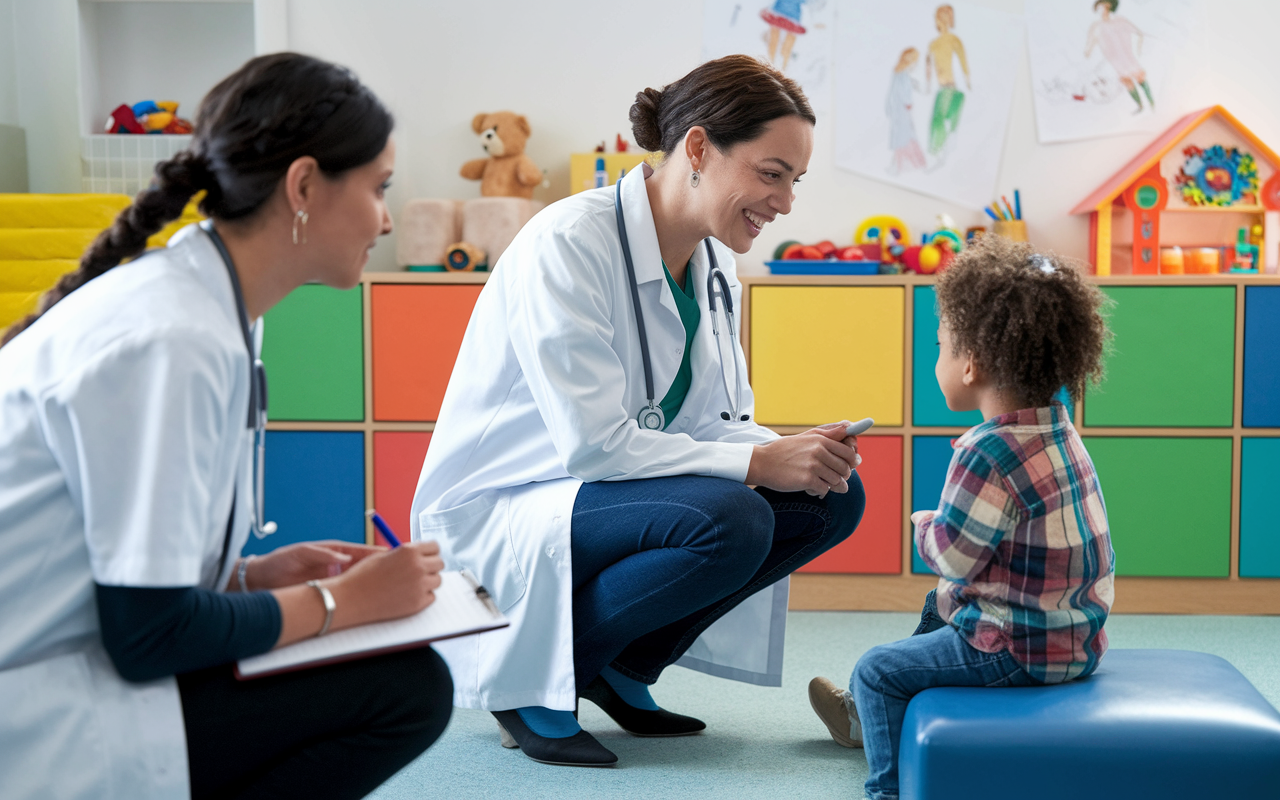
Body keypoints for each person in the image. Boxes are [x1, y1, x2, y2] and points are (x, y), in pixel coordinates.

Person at [0, 53, 453, 800]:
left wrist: (251, 577)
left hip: (68, 657)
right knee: (405, 690)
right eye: (379, 189)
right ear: (304, 186)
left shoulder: (201, 307)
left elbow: (118, 570)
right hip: (36, 707)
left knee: (396, 680)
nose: (385, 218)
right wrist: (348, 605)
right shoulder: (174, 339)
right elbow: (148, 636)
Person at [411, 55, 866, 767]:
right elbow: (593, 446)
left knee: (828, 497)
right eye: (770, 173)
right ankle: (530, 685)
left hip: (609, 491)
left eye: (794, 181)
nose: (784, 203)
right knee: (736, 515)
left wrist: (791, 450)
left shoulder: (715, 268)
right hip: (513, 500)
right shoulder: (568, 243)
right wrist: (755, 461)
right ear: (697, 149)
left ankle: (622, 667)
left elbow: (717, 423)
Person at [807, 236, 1116, 800]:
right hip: (1076, 635)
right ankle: (869, 713)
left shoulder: (986, 451)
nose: (937, 360)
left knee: (877, 668)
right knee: (940, 605)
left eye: (940, 345)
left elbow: (953, 555)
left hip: (1021, 650)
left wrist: (923, 524)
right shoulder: (1058, 427)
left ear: (971, 363)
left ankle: (883, 776)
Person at [1084, 0, 1152, 114]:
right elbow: (1089, 47)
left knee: (1140, 78)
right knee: (1128, 82)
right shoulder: (1096, 26)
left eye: (1101, 5)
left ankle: (1151, 102)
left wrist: (1139, 51)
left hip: (1128, 56)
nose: (1099, 9)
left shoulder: (1120, 21)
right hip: (1115, 61)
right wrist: (1089, 52)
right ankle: (1140, 106)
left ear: (1108, 5)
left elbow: (1139, 33)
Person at [924, 4, 970, 157]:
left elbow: (963, 61)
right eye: (939, 16)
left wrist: (967, 80)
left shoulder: (953, 40)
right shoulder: (933, 44)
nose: (939, 20)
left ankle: (938, 149)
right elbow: (928, 66)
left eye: (944, 16)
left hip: (949, 88)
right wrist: (928, 85)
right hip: (944, 88)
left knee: (939, 119)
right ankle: (938, 149)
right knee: (940, 120)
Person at [886, 47, 926, 175]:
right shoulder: (902, 75)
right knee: (905, 136)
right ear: (910, 61)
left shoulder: (899, 74)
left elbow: (898, 88)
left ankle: (898, 164)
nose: (916, 65)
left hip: (899, 111)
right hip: (902, 111)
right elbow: (903, 92)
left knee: (902, 136)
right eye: (915, 62)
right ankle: (905, 164)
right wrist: (908, 103)